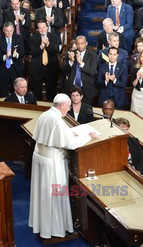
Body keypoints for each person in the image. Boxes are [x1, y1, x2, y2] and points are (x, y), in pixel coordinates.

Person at [28, 93, 97, 239]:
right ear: (62, 105)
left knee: (43, 194)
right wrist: (88, 136)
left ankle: (43, 226)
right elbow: (70, 144)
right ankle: (55, 229)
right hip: (52, 162)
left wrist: (72, 133)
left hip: (41, 157)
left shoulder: (46, 114)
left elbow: (59, 134)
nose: (69, 108)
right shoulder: (57, 120)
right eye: (68, 106)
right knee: (54, 194)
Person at [29, 20, 61, 102]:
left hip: (51, 68)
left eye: (43, 27)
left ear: (47, 27)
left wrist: (48, 44)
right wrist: (41, 46)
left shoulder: (54, 37)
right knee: (36, 92)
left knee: (51, 92)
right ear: (37, 29)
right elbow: (33, 52)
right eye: (40, 28)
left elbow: (55, 51)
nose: (42, 29)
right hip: (37, 69)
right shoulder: (33, 38)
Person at [63, 35, 98, 105]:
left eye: (82, 43)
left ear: (86, 43)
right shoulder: (70, 54)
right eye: (78, 44)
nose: (80, 46)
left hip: (87, 90)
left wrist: (81, 63)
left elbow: (92, 71)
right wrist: (71, 61)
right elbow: (64, 71)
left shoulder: (93, 56)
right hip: (72, 89)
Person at [0, 22, 24, 97]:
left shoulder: (18, 38)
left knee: (17, 91)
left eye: (10, 30)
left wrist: (16, 55)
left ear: (13, 30)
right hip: (3, 68)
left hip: (15, 67)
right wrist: (5, 56)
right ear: (3, 30)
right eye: (7, 31)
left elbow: (22, 52)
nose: (9, 33)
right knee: (2, 91)